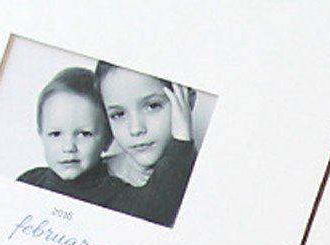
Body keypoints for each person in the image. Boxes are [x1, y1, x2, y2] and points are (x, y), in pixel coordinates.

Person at [96, 62, 198, 226]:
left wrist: (182, 142)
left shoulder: (207, 180)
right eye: (118, 114)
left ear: (187, 101)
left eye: (152, 106)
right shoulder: (89, 180)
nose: (136, 129)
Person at [17, 67, 121, 203]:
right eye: (55, 134)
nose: (68, 147)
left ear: (108, 139)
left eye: (84, 134)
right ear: (41, 135)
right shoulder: (29, 183)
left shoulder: (119, 196)